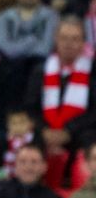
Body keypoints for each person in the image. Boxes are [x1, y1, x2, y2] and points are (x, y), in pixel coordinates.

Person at [25, 18, 96, 158]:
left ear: (83, 43)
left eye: (75, 39)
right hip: (45, 131)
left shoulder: (93, 71)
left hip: (81, 131)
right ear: (56, 40)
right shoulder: (40, 70)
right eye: (64, 38)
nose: (68, 44)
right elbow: (30, 107)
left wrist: (68, 131)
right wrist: (45, 130)